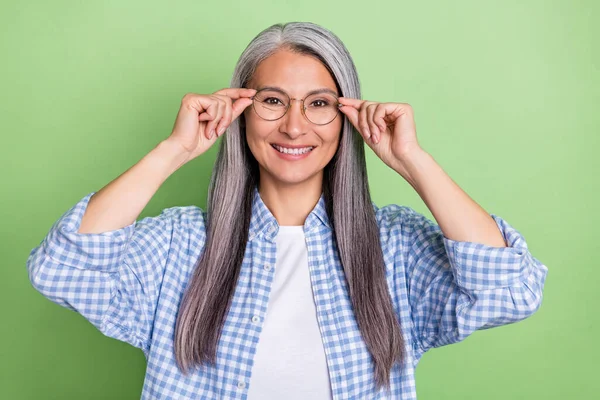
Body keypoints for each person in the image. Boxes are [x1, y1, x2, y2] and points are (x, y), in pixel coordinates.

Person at [26, 22, 548, 400]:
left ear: (346, 118)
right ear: (242, 113)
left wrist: (411, 161)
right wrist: (175, 151)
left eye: (319, 104)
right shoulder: (181, 244)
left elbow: (509, 290)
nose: (295, 127)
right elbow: (62, 271)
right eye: (272, 101)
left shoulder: (394, 247)